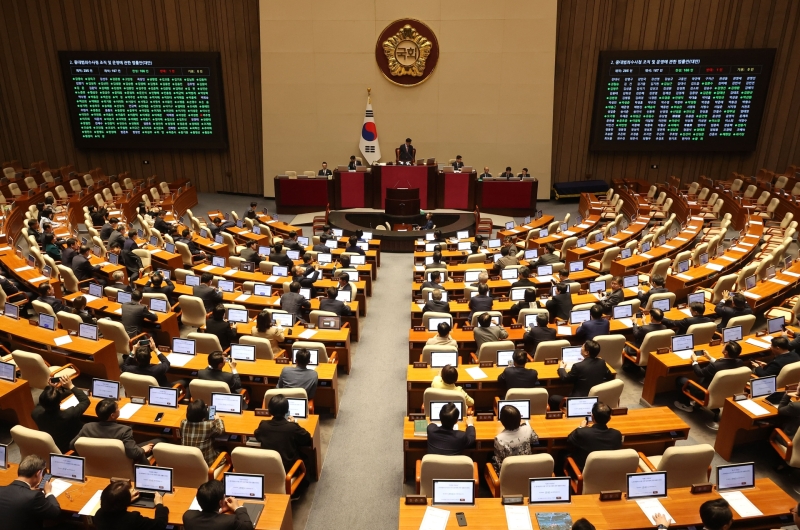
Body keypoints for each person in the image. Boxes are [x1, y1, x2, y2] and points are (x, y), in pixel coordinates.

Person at [71, 398, 159, 464]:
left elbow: (72, 445)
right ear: (112, 415)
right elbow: (133, 453)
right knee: (160, 441)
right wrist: (143, 449)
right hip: (123, 464)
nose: (119, 409)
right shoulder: (124, 431)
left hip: (97, 464)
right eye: (117, 408)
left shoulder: (87, 427)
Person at [674, 341, 745, 413]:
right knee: (705, 376)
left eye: (724, 345)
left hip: (705, 392)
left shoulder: (715, 366)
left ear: (725, 352)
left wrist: (694, 361)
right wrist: (709, 358)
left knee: (680, 379)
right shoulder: (739, 362)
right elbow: (723, 365)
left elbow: (699, 373)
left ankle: (686, 405)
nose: (722, 345)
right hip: (726, 390)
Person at [0, 454, 61, 530]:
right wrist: (48, 492)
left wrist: (29, 490)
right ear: (38, 473)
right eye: (42, 474)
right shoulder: (34, 496)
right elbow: (56, 513)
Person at [254, 395, 313, 472]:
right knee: (305, 457)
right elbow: (307, 439)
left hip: (268, 467)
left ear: (270, 410)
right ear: (286, 410)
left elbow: (257, 434)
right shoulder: (292, 427)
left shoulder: (263, 425)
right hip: (288, 469)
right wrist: (294, 424)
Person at [31, 375, 90, 452]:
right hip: (71, 446)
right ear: (59, 401)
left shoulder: (35, 413)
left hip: (55, 445)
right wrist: (71, 386)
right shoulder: (69, 414)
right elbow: (85, 401)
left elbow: (42, 402)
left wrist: (51, 389)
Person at [550, 340, 613, 410]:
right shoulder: (601, 362)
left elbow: (565, 378)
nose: (581, 348)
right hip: (595, 400)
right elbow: (609, 376)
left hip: (579, 402)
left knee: (553, 398)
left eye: (582, 346)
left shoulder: (578, 366)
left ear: (586, 352)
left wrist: (561, 367)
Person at [566, 402, 623, 468]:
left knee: (562, 453)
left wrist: (581, 427)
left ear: (592, 417)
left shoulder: (582, 433)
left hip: (584, 472)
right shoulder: (616, 435)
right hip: (607, 470)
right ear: (609, 419)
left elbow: (569, 441)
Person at [94, 479, 168, 530]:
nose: (135, 491)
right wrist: (159, 505)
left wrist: (126, 501)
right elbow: (160, 525)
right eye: (131, 491)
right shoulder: (132, 519)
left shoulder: (99, 514)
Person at [183, 480, 252, 530]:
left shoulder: (188, 516)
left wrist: (220, 510)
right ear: (220, 503)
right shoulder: (229, 521)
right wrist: (237, 508)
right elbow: (247, 527)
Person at [492, 404, 539, 471]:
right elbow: (535, 439)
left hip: (509, 472)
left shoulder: (499, 439)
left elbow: (500, 459)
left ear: (502, 421)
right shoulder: (528, 428)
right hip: (528, 469)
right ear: (520, 418)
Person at [180, 399, 226, 466]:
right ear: (203, 418)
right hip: (207, 465)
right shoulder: (209, 425)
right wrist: (218, 419)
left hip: (188, 463)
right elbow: (221, 430)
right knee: (224, 448)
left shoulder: (183, 423)